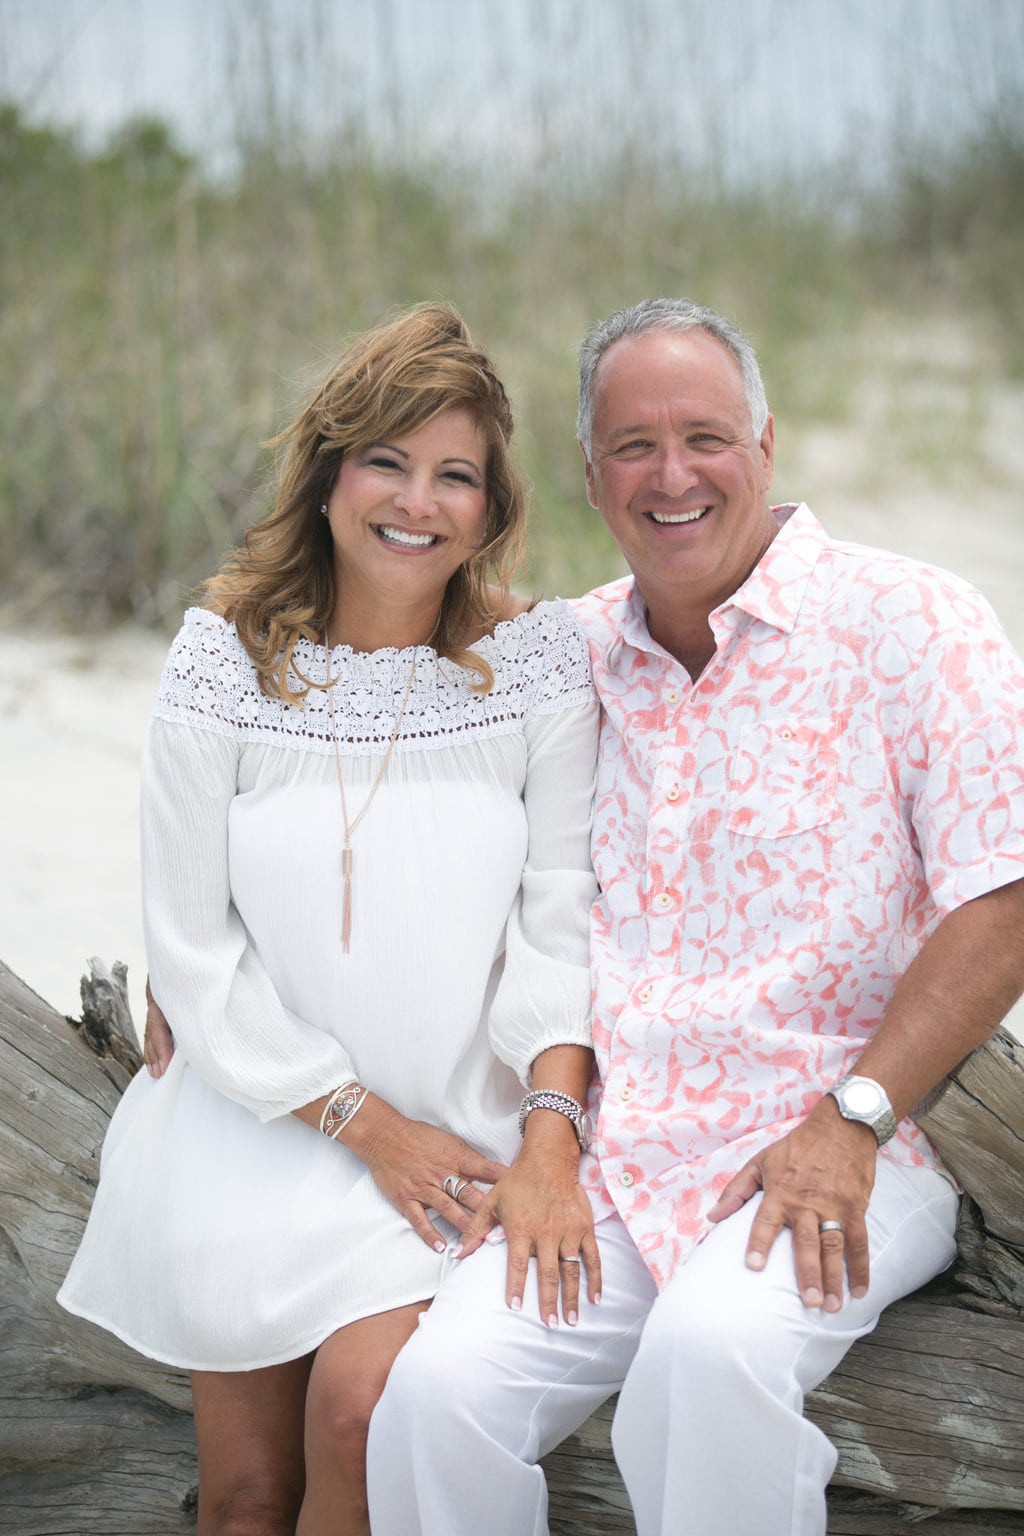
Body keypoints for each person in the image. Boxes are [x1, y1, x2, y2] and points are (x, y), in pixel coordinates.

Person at [366, 297, 1024, 1536]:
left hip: (843, 1147)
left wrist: (855, 1119)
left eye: (704, 437)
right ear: (591, 474)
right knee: (435, 1402)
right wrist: (203, 945)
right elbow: (359, 778)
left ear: (766, 444)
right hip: (609, 1165)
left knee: (706, 1362)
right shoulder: (566, 656)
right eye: (633, 446)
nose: (672, 475)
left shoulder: (911, 623)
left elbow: (1005, 890)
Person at [58, 303, 603, 1536]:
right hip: (257, 1124)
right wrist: (360, 1123)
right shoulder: (220, 661)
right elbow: (190, 947)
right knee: (246, 1499)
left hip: (450, 1143)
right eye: (387, 461)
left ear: (491, 501)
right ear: (327, 475)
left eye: (454, 474)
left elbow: (558, 921)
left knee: (361, 1422)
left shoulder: (537, 663)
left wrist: (542, 1128)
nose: (418, 501)